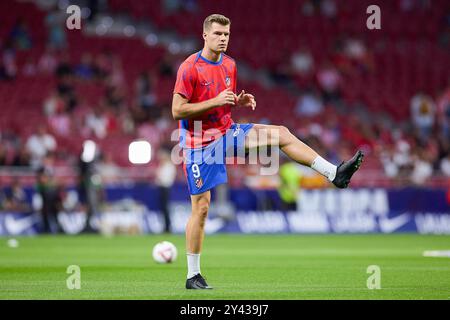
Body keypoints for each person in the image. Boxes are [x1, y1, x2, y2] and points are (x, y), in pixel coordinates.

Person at [172, 14, 364, 290]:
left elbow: (220, 105)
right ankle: (193, 276)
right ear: (205, 35)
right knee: (201, 208)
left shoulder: (230, 65)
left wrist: (236, 101)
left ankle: (334, 173)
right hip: (197, 143)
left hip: (226, 133)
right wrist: (216, 100)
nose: (223, 38)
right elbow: (177, 110)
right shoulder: (189, 67)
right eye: (217, 34)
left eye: (226, 34)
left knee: (282, 134)